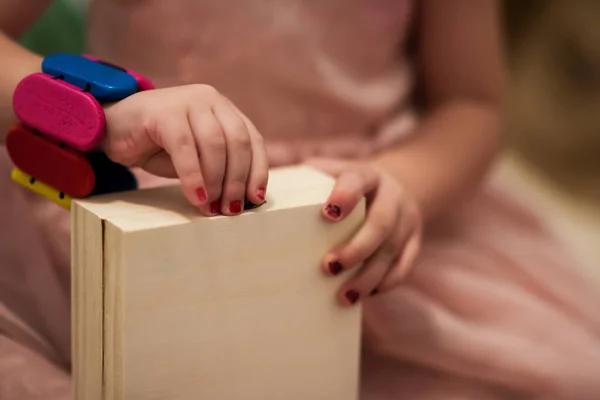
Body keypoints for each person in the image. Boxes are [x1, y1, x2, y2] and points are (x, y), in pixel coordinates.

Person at [1, 1, 599, 399]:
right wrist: (101, 113)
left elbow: (473, 106)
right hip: (139, 202)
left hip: (364, 226)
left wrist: (406, 184)